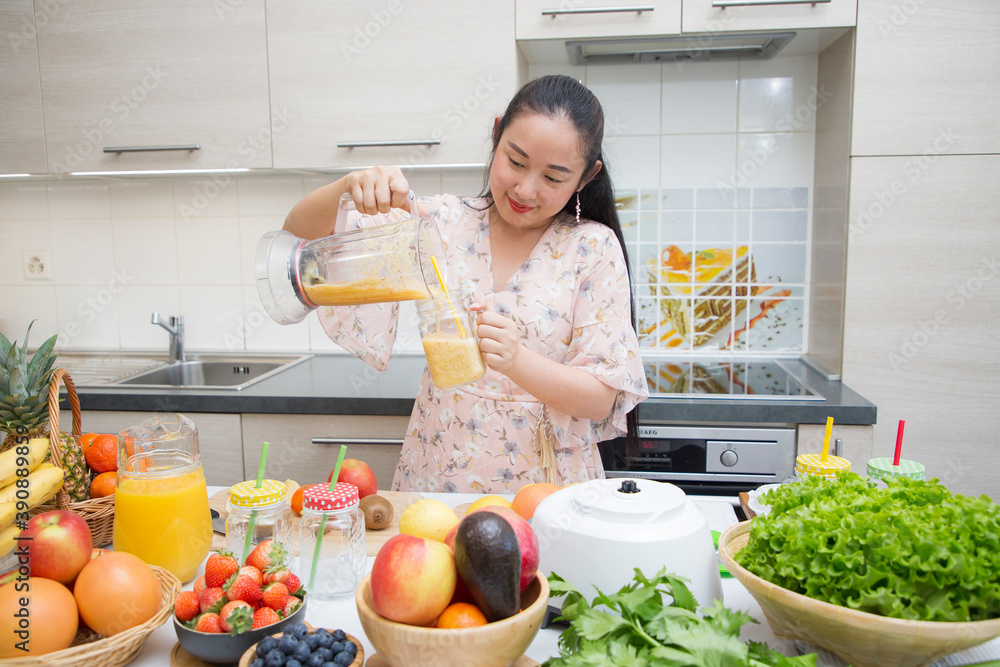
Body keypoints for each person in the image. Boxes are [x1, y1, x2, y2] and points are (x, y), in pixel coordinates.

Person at [282, 74, 648, 493]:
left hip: (544, 488)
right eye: (516, 161)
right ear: (497, 136)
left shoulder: (592, 249)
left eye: (553, 178)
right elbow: (300, 241)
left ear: (586, 177)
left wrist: (516, 360)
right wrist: (349, 188)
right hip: (439, 471)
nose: (526, 189)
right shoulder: (436, 224)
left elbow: (602, 396)